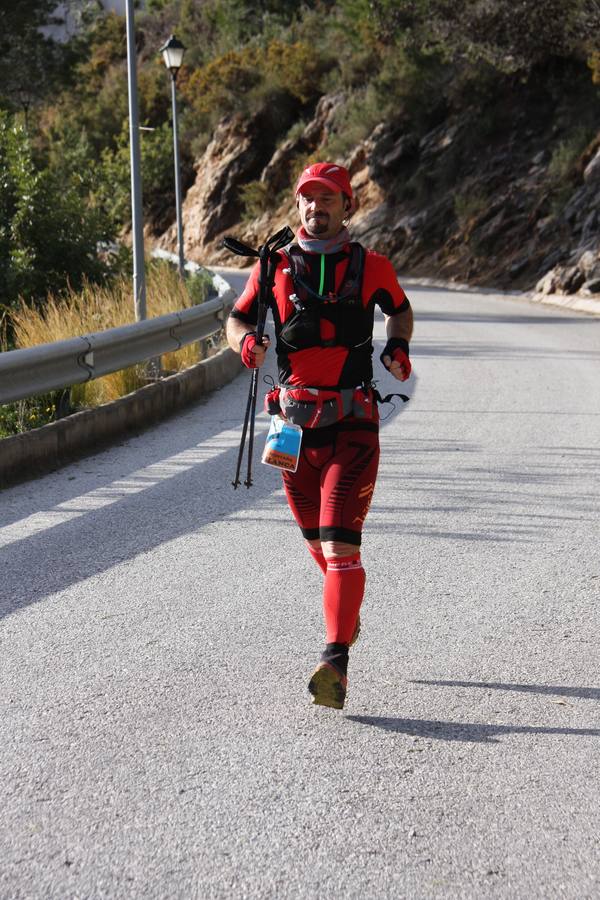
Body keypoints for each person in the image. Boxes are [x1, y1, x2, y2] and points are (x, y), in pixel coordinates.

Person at [226, 162, 413, 710]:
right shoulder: (274, 267)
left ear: (346, 206)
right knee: (320, 545)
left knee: (338, 539)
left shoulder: (372, 266)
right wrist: (246, 346)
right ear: (297, 205)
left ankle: (335, 660)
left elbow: (400, 313)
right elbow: (238, 319)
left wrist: (396, 350)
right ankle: (346, 610)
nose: (316, 207)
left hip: (353, 425)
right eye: (308, 199)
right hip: (291, 431)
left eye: (327, 198)